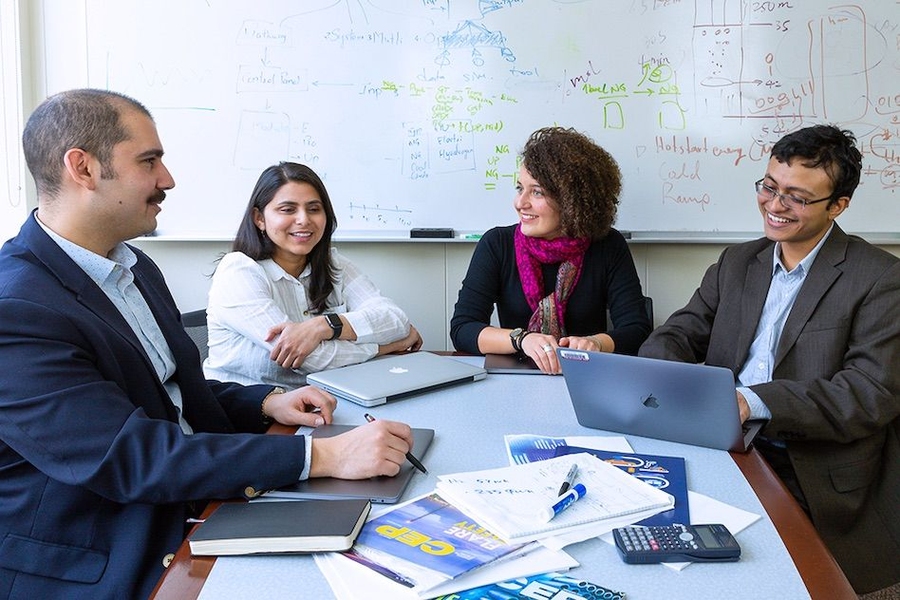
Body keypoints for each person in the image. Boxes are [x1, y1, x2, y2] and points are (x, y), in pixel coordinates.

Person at [0, 88, 418, 598]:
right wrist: (322, 459)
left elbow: (168, 393)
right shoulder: (17, 308)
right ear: (82, 168)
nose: (167, 179)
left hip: (193, 499)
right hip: (114, 549)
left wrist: (265, 400)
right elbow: (134, 457)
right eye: (149, 161)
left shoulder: (133, 268)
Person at [638, 125, 900, 597]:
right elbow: (677, 333)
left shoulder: (880, 278)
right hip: (719, 445)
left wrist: (750, 401)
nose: (775, 206)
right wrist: (663, 377)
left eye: (797, 198)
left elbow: (868, 393)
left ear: (838, 205)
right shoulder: (739, 262)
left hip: (806, 465)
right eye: (769, 187)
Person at [450, 126, 651, 374]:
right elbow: (463, 328)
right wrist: (521, 339)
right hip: (514, 380)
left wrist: (596, 343)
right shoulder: (497, 244)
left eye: (536, 192)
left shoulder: (608, 245)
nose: (520, 203)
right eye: (519, 188)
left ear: (571, 200)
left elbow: (637, 329)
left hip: (586, 376)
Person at [203, 162, 422, 388]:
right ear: (259, 218)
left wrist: (324, 326)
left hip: (328, 399)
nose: (304, 220)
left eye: (314, 209)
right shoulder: (238, 272)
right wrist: (386, 347)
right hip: (247, 411)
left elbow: (395, 320)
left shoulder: (334, 264)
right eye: (288, 209)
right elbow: (311, 359)